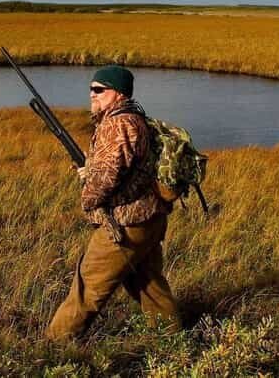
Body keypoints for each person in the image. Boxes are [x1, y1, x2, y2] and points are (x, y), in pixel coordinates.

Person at [46, 65, 180, 340]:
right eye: (91, 89)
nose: (92, 95)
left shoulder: (117, 123)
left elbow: (105, 180)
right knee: (148, 285)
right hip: (148, 219)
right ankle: (173, 341)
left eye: (99, 90)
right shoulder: (133, 119)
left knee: (87, 289)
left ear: (118, 94)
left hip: (126, 225)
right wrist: (90, 168)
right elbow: (120, 169)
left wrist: (88, 195)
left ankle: (54, 349)